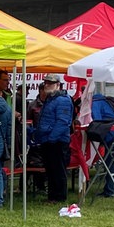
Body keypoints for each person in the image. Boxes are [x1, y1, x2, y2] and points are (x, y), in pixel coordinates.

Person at [30, 74, 73, 203]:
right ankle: (53, 196)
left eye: (50, 83)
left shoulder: (62, 100)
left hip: (57, 141)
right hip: (49, 140)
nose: (47, 85)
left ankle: (59, 197)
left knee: (58, 170)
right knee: (51, 169)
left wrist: (51, 138)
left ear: (58, 85)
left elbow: (63, 122)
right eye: (46, 83)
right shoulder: (51, 99)